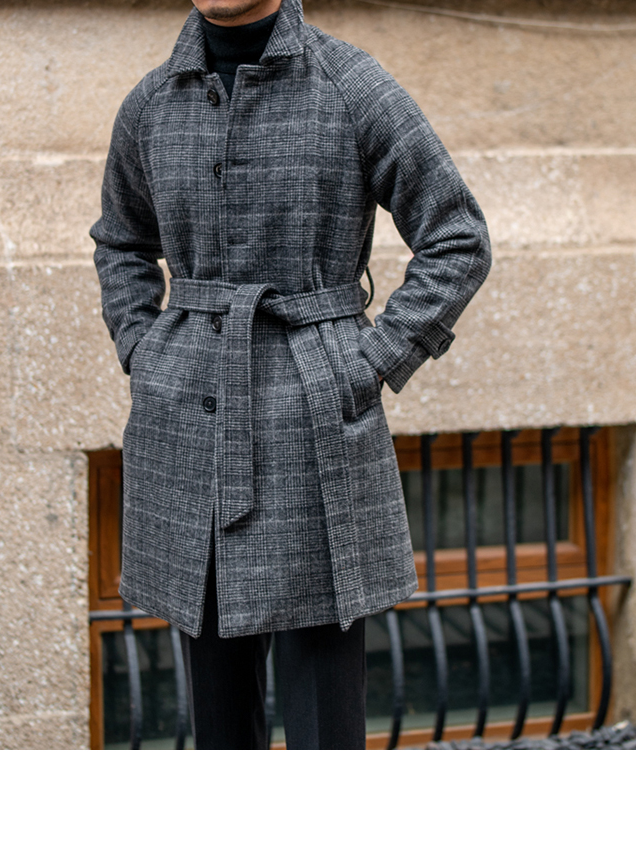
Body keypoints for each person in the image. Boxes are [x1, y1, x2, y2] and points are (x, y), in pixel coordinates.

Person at [90, 0, 491, 749]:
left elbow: (456, 236)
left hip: (316, 428)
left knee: (322, 731)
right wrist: (143, 350)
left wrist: (369, 363)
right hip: (190, 426)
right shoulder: (151, 103)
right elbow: (121, 243)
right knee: (218, 728)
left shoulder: (351, 84)